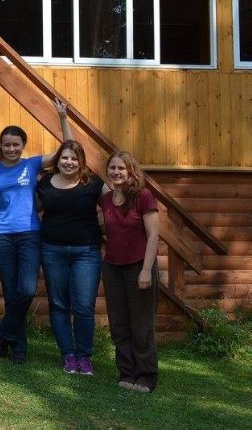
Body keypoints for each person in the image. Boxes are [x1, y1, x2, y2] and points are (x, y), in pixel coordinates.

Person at [0, 98, 72, 364]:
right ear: (1, 146)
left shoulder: (31, 165)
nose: (11, 149)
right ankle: (19, 348)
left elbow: (68, 149)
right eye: (7, 145)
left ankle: (4, 333)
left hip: (29, 234)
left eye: (16, 144)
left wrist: (63, 118)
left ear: (23, 145)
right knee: (11, 292)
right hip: (2, 235)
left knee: (26, 289)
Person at [37, 139, 105, 375]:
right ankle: (68, 355)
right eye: (65, 157)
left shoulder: (93, 183)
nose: (69, 162)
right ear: (58, 160)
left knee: (84, 306)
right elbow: (32, 209)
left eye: (74, 158)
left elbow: (115, 205)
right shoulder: (44, 183)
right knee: (59, 305)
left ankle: (84, 356)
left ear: (81, 162)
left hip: (86, 252)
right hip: (52, 250)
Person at [101, 151, 160, 393]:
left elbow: (153, 235)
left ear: (131, 171)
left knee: (141, 325)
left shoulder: (143, 196)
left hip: (139, 266)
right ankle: (126, 373)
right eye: (112, 168)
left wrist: (146, 270)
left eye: (121, 168)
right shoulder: (106, 199)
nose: (116, 172)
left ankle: (145, 376)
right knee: (119, 324)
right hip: (112, 268)